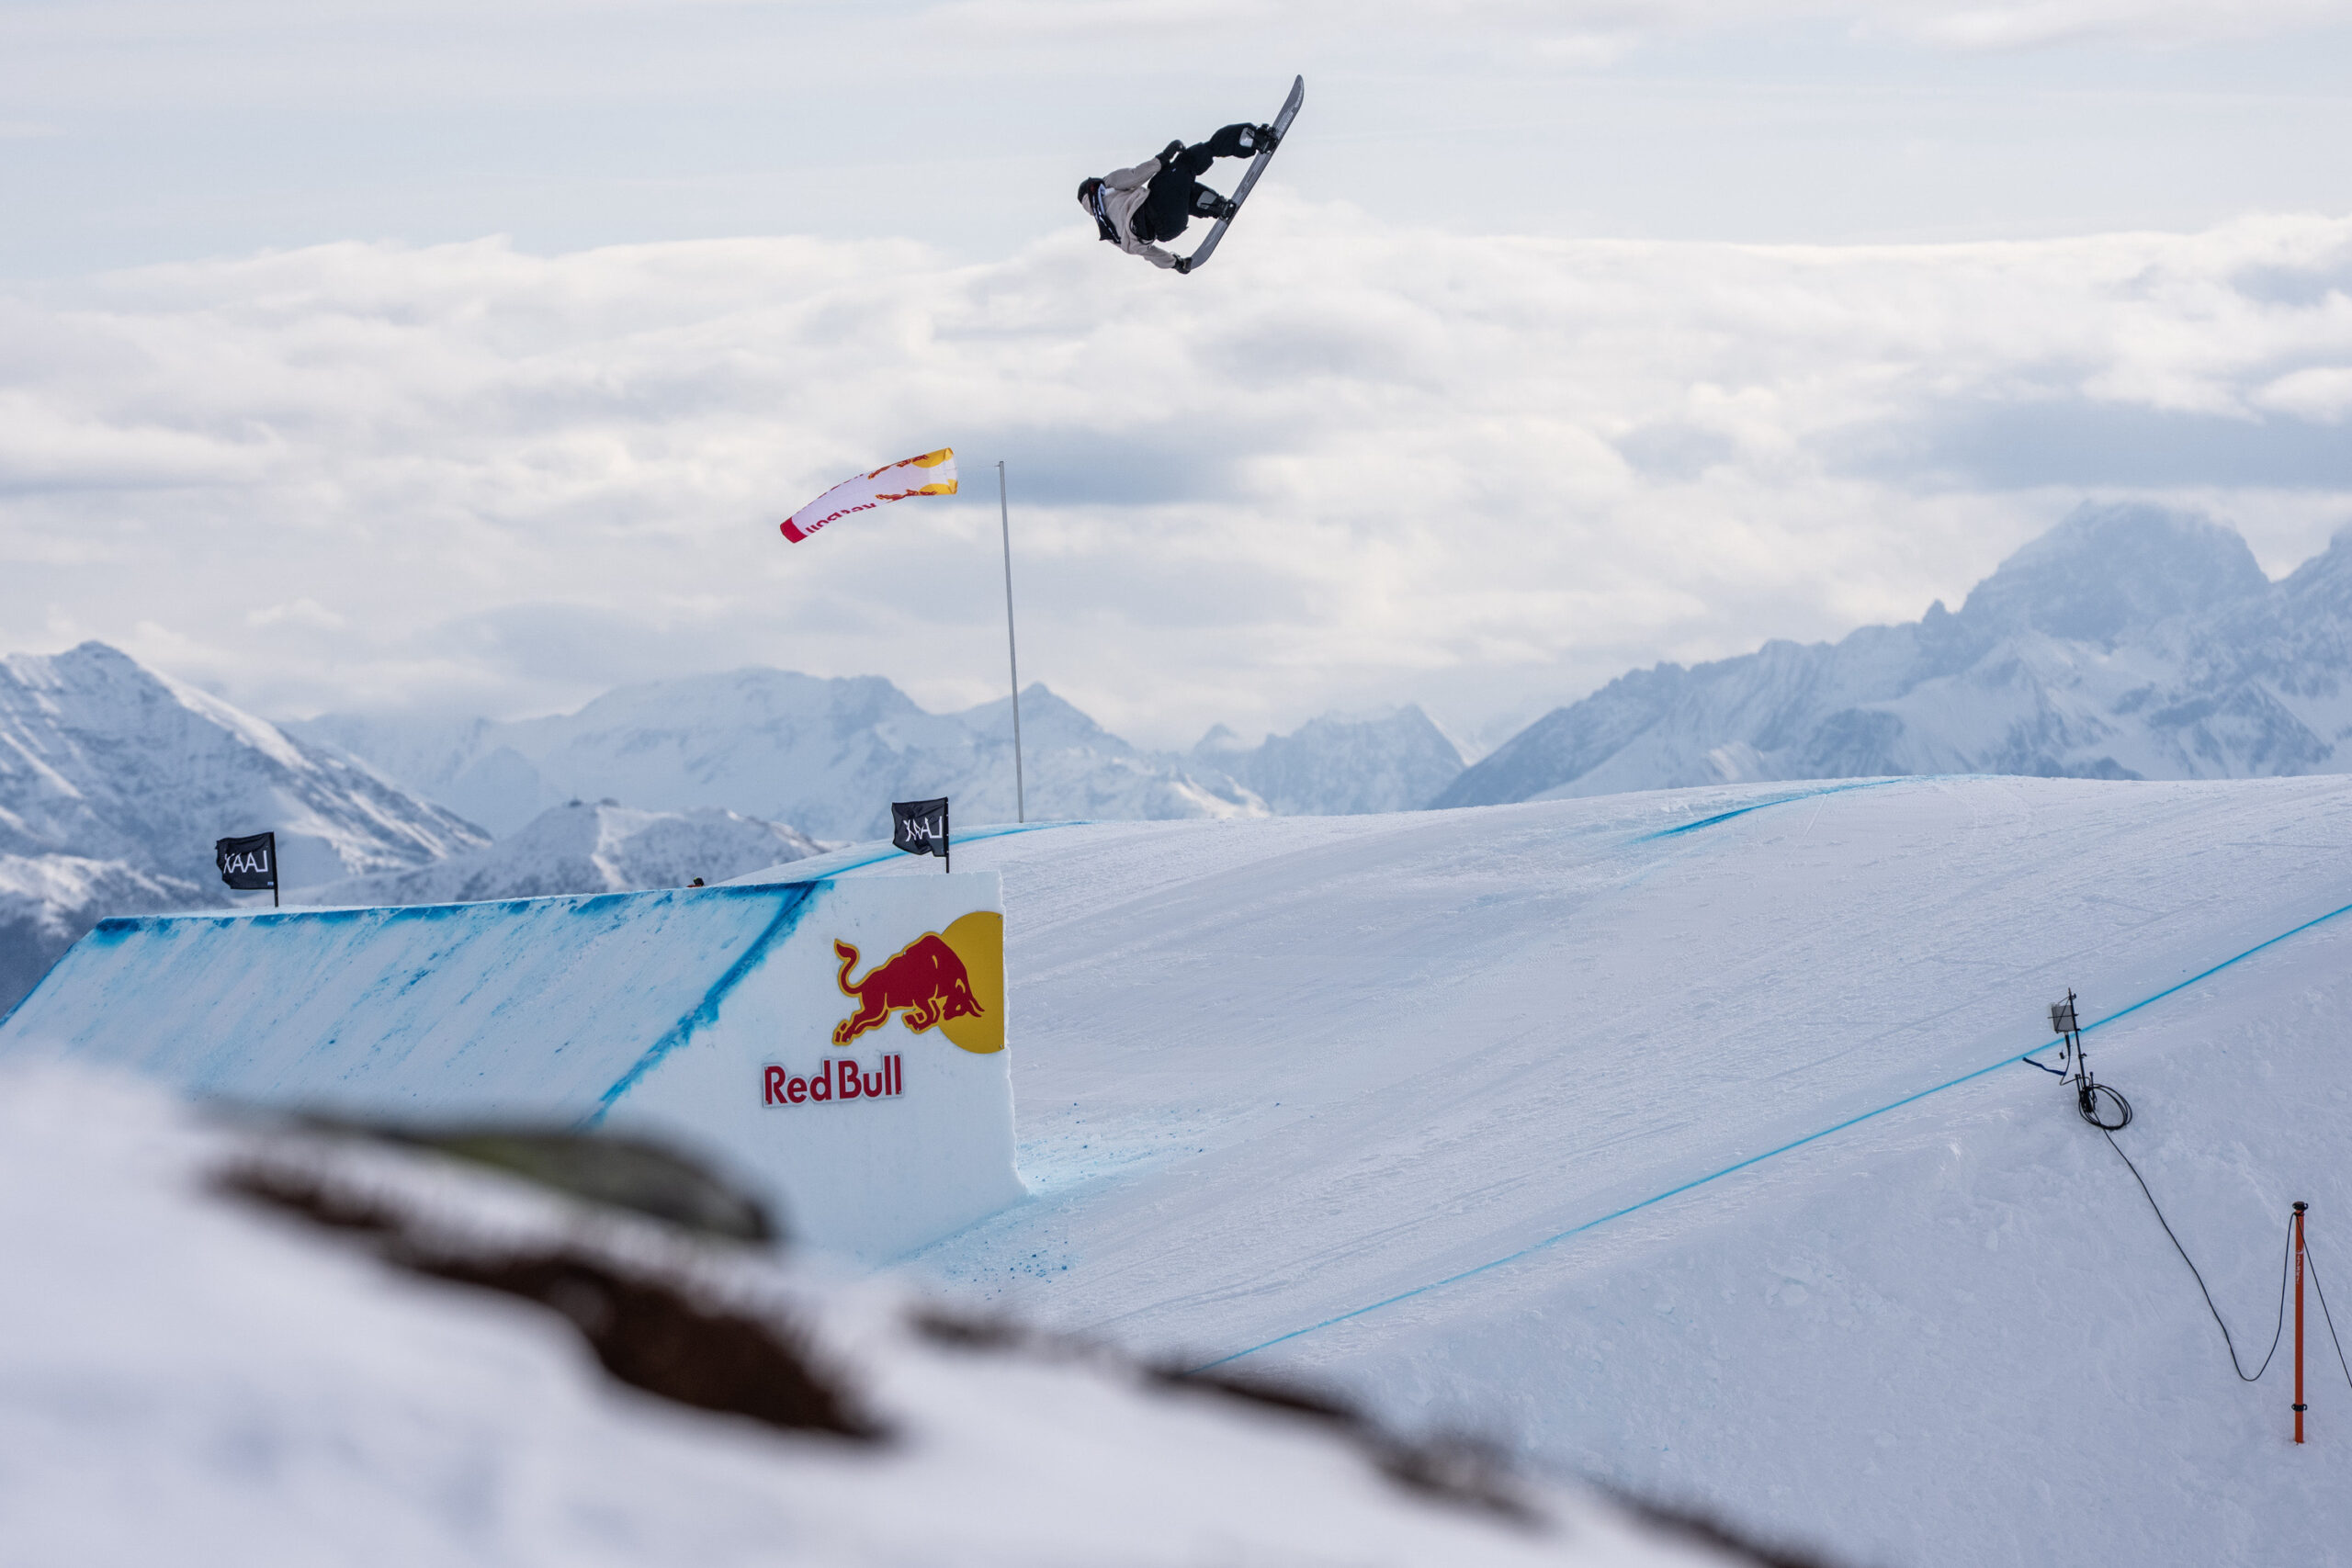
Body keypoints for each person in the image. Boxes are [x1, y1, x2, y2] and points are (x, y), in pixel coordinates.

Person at [1078, 122, 1280, 272]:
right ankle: (1254, 139)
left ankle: (1217, 207)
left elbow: (1146, 253)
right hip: (1156, 208)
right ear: (1093, 187)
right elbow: (1135, 176)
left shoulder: (1109, 230)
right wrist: (1165, 157)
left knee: (1179, 191)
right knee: (1190, 160)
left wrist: (1176, 263)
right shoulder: (1105, 186)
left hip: (1168, 229)